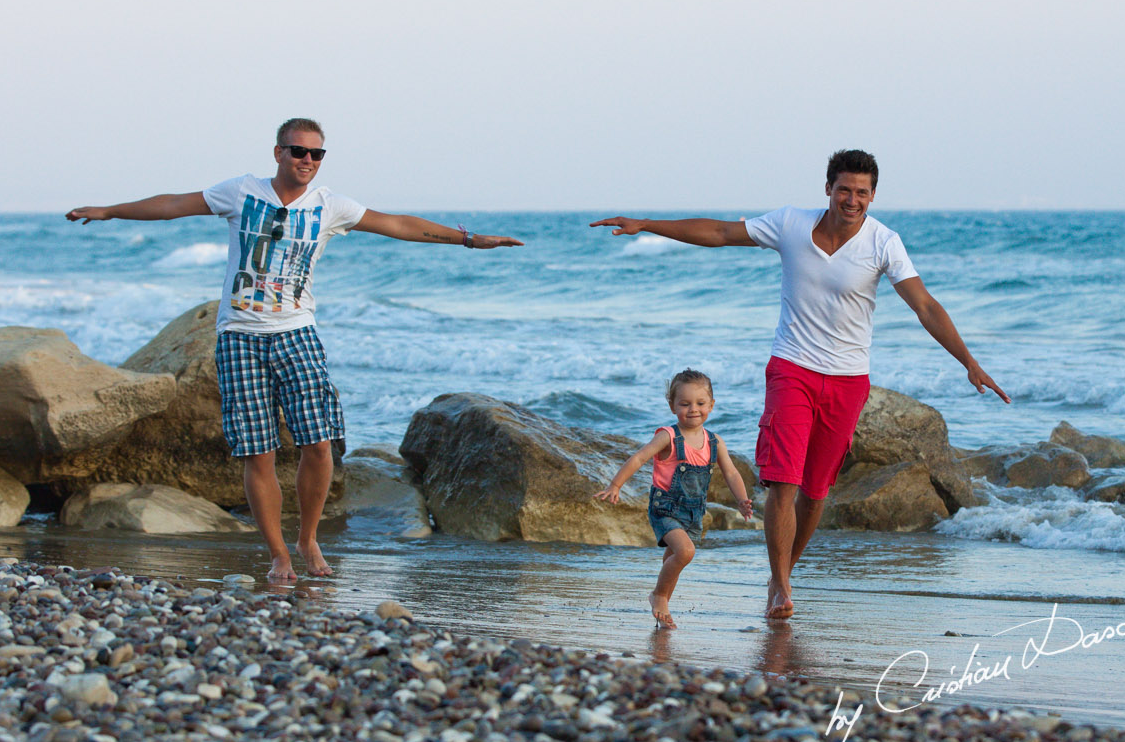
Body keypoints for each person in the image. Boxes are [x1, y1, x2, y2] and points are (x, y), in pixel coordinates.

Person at [67, 118, 523, 581]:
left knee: (319, 444)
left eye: (316, 154)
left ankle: (307, 539)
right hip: (239, 337)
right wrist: (110, 210)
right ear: (278, 153)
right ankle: (278, 554)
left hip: (296, 333)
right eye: (298, 151)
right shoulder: (241, 192)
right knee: (258, 453)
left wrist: (468, 238)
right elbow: (173, 205)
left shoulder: (330, 206)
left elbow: (397, 224)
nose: (307, 160)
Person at [591, 149, 1008, 621]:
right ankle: (782, 587)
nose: (853, 200)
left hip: (848, 381)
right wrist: (646, 223)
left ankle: (780, 573)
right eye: (845, 189)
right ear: (828, 187)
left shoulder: (883, 242)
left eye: (862, 193)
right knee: (784, 483)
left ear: (873, 196)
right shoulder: (790, 224)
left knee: (816, 492)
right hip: (792, 369)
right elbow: (721, 233)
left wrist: (968, 362)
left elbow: (926, 306)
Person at [595, 369, 754, 629]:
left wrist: (742, 499)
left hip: (693, 513)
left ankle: (663, 605)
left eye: (700, 403)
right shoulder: (667, 436)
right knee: (685, 552)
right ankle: (658, 596)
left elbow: (732, 472)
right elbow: (639, 458)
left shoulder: (714, 441)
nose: (693, 409)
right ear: (672, 406)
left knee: (673, 560)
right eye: (685, 403)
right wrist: (615, 485)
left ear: (711, 405)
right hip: (665, 508)